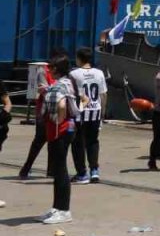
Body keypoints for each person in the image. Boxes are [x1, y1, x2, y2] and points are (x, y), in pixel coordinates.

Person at [39, 54, 79, 224]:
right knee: (58, 169)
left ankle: (63, 210)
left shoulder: (60, 85)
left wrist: (58, 120)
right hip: (66, 130)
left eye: (51, 68)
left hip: (59, 131)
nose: (49, 70)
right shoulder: (68, 82)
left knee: (60, 169)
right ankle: (57, 207)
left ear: (56, 69)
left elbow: (61, 105)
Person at [18, 52, 59, 180]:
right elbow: (43, 89)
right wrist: (60, 88)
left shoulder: (61, 75)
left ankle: (51, 170)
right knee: (39, 141)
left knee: (53, 142)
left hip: (56, 111)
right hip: (44, 111)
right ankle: (26, 167)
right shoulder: (43, 71)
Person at [69, 47, 107, 184]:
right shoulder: (99, 73)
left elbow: (72, 94)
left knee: (78, 143)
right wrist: (103, 112)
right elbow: (103, 94)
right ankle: (94, 171)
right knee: (93, 141)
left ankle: (81, 173)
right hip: (95, 111)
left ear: (79, 58)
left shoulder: (74, 74)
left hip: (80, 112)